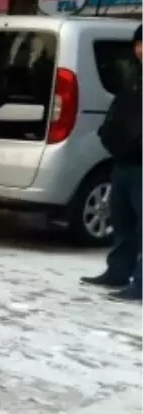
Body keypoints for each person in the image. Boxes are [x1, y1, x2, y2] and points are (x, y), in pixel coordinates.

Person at [81, 24, 143, 302]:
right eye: (138, 44)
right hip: (123, 161)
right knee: (121, 220)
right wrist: (108, 136)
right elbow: (117, 113)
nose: (140, 50)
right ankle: (118, 271)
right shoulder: (134, 77)